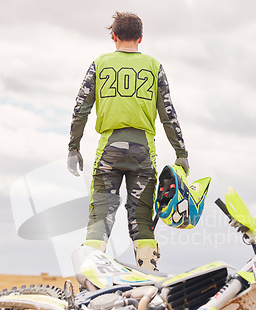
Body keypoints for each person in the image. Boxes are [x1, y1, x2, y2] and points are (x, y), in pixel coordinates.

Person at [67, 11, 189, 270]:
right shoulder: (154, 67)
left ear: (114, 36)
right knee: (142, 219)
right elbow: (168, 114)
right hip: (144, 153)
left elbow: (81, 109)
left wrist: (73, 147)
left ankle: (91, 281)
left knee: (100, 218)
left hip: (108, 150)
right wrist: (181, 153)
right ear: (141, 38)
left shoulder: (100, 64)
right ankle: (147, 282)